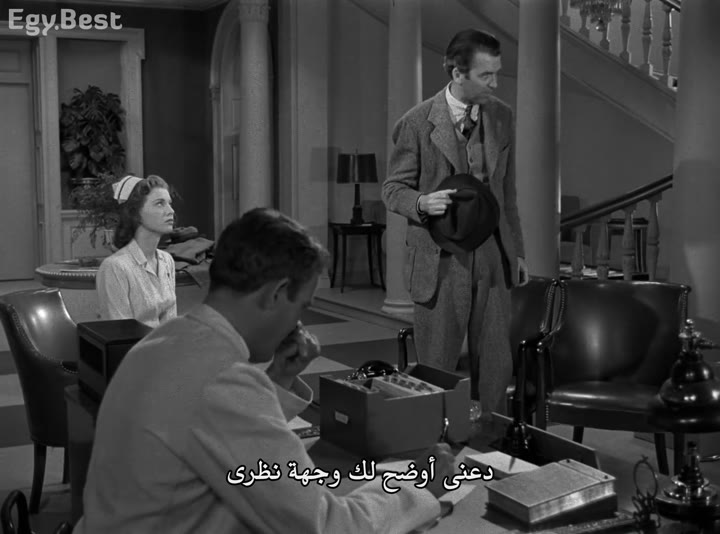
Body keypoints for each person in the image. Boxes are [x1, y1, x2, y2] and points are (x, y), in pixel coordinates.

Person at [74, 208, 455, 534]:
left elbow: (211, 432)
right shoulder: (223, 378)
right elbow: (325, 526)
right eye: (301, 306)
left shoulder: (165, 339)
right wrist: (417, 486)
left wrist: (277, 380)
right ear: (276, 293)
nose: (299, 323)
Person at [382, 29, 528, 418]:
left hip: (492, 254)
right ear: (457, 72)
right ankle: (435, 434)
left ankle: (493, 432)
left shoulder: (501, 116)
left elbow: (506, 193)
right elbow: (392, 188)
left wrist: (516, 251)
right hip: (439, 257)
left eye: (497, 73)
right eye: (486, 75)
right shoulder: (416, 122)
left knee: (496, 360)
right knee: (437, 361)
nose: (495, 83)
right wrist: (421, 202)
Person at [96, 174, 177, 328]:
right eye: (160, 204)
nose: (171, 211)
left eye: (169, 203)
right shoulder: (115, 267)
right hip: (132, 344)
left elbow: (170, 325)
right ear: (135, 213)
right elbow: (119, 332)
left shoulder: (167, 261)